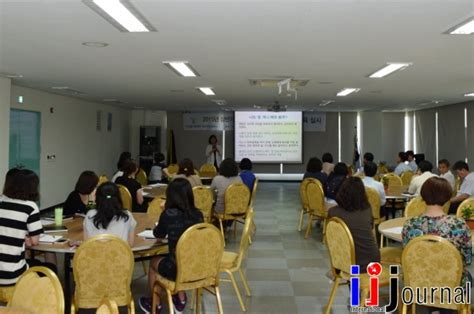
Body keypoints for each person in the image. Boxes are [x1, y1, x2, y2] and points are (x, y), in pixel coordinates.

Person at [139, 179, 203, 314]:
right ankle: (180, 299)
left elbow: (158, 234)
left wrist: (164, 212)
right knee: (180, 257)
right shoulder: (198, 214)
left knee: (153, 263)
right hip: (195, 264)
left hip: (176, 267)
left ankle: (154, 303)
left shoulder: (169, 214)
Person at [403, 177, 471, 290]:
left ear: (423, 196)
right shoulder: (458, 224)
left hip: (417, 281)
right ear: (447, 197)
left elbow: (407, 255)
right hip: (451, 282)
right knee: (468, 277)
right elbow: (467, 259)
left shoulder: (410, 224)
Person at [0, 169, 56, 286]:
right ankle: (43, 300)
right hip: (12, 275)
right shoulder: (29, 207)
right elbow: (34, 242)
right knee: (50, 268)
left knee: (33, 261)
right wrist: (25, 239)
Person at [328, 177, 380, 272]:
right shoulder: (367, 210)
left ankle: (354, 286)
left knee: (353, 274)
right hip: (371, 261)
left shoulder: (333, 213)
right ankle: (366, 286)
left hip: (344, 261)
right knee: (364, 278)